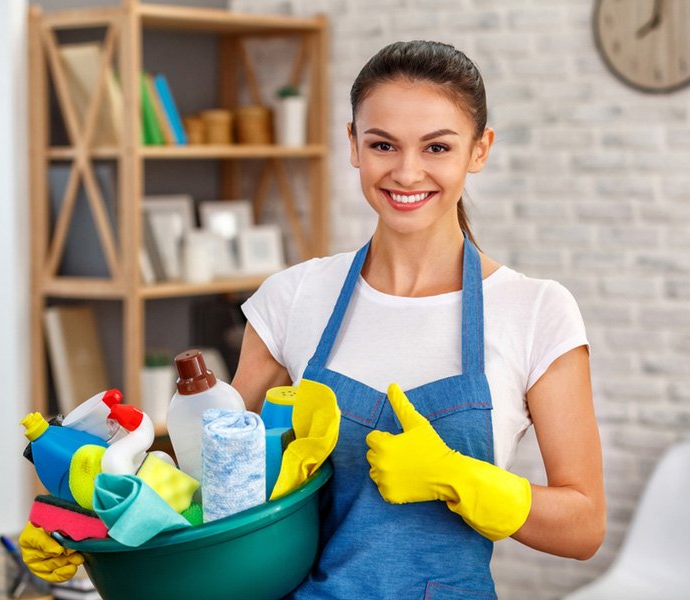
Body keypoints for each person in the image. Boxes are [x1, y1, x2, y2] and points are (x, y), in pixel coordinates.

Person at [232, 40, 605, 598]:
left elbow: (584, 526)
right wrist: (99, 521)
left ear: (479, 151)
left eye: (437, 147)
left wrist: (460, 478)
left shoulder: (535, 312)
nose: (407, 173)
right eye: (383, 144)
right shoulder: (293, 297)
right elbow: (217, 477)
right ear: (353, 145)